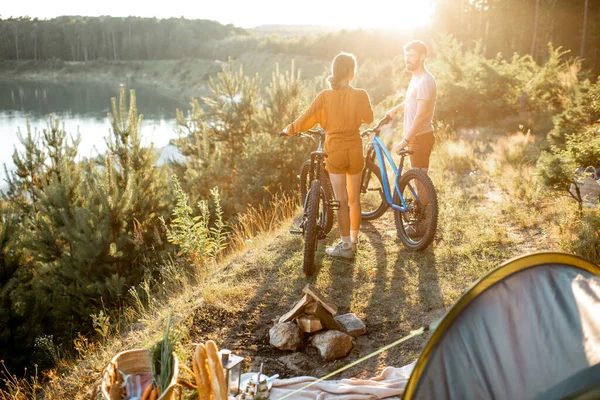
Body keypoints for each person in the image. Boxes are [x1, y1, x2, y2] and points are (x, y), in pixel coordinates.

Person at [283, 52, 373, 259]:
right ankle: (355, 239)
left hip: (335, 150)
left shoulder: (325, 96)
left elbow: (307, 118)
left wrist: (290, 129)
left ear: (335, 72)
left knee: (340, 199)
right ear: (351, 72)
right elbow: (369, 118)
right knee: (354, 199)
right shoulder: (360, 94)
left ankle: (346, 247)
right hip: (355, 148)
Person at [386, 40, 437, 173]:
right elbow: (413, 101)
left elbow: (421, 115)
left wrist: (405, 141)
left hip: (420, 137)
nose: (407, 59)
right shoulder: (416, 77)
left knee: (421, 185)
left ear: (422, 57)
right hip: (416, 137)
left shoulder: (424, 81)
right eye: (406, 55)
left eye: (411, 55)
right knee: (418, 182)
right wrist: (395, 109)